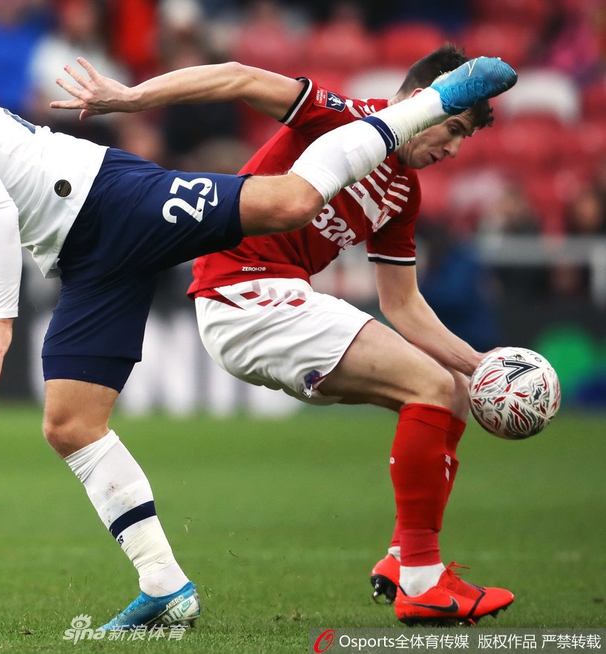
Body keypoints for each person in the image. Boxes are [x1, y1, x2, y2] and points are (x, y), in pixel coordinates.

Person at [0, 49, 516, 630]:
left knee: (290, 204)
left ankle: (432, 97)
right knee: (70, 424)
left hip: (111, 200)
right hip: (82, 255)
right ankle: (166, 587)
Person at [52, 45, 517, 627]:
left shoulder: (404, 193)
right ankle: (421, 579)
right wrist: (132, 98)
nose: (451, 148)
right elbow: (239, 77)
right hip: (244, 293)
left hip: (276, 302)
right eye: (451, 127)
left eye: (463, 140)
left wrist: (482, 368)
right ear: (417, 102)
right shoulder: (346, 117)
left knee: (445, 388)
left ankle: (406, 560)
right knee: (430, 386)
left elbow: (405, 305)